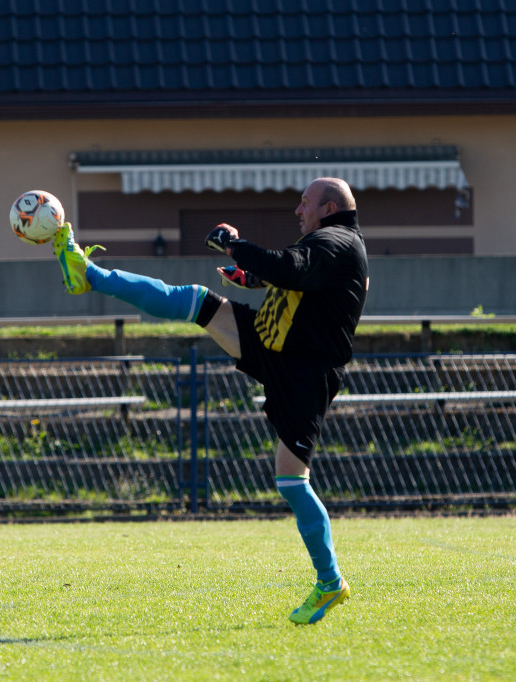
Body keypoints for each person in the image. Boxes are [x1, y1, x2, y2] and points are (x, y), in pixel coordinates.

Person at [54, 177, 367, 625]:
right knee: (199, 302)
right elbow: (299, 281)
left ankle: (331, 582)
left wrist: (235, 245)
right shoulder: (334, 242)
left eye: (305, 202)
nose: (298, 210)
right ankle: (92, 276)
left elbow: (293, 267)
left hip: (304, 371)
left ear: (330, 207)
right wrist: (250, 278)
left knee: (291, 478)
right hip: (273, 344)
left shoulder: (334, 241)